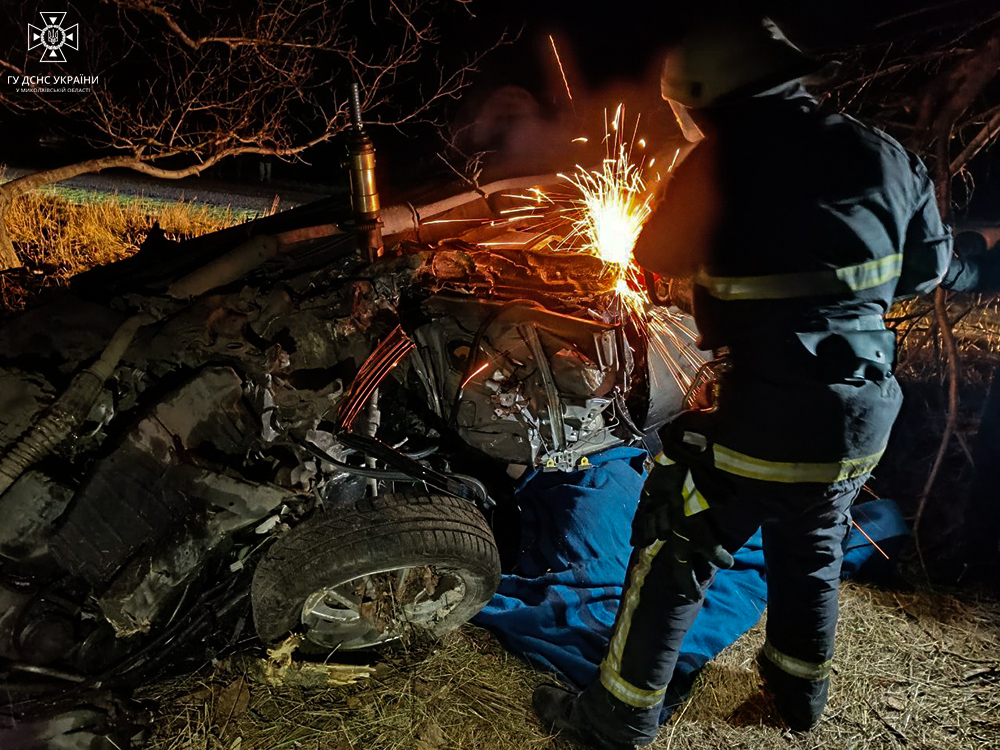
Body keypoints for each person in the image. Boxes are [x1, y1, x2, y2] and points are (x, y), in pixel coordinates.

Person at [531, 14, 1000, 749]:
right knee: (811, 541)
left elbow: (652, 254)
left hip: (764, 418)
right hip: (859, 423)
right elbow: (923, 270)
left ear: (713, 99)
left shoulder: (720, 161)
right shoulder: (887, 154)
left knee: (672, 542)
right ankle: (797, 692)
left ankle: (617, 716)